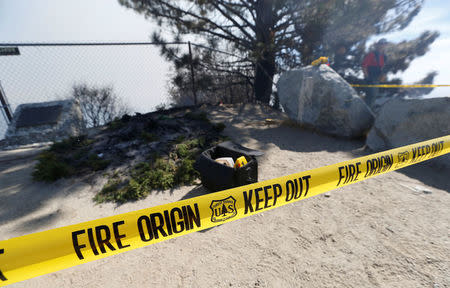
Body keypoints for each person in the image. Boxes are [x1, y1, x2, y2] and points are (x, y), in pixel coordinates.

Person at [362, 38, 388, 106]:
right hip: (370, 77)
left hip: (377, 78)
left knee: (374, 96)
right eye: (381, 44)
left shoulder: (384, 56)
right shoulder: (371, 54)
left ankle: (370, 111)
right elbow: (364, 66)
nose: (382, 46)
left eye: (384, 44)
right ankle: (366, 111)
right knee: (370, 96)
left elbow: (383, 68)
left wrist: (383, 76)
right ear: (378, 45)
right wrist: (367, 77)